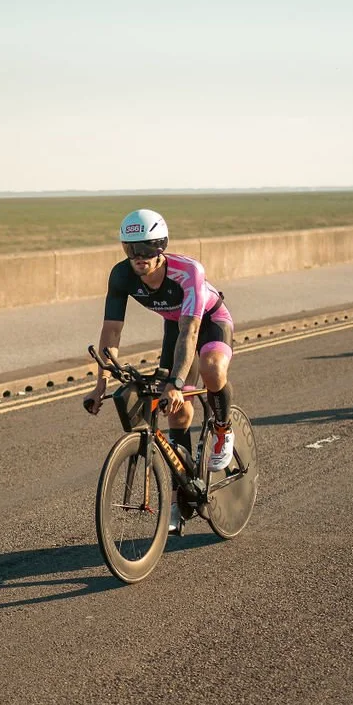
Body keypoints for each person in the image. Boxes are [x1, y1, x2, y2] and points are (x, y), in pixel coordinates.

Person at [83, 207, 236, 497]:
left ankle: (222, 428)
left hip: (209, 322)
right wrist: (99, 385)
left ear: (160, 246)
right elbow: (111, 332)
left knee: (212, 368)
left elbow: (191, 332)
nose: (137, 257)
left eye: (144, 248)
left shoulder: (188, 271)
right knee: (176, 412)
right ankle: (185, 494)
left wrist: (177, 383)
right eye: (130, 249)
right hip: (175, 327)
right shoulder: (121, 275)